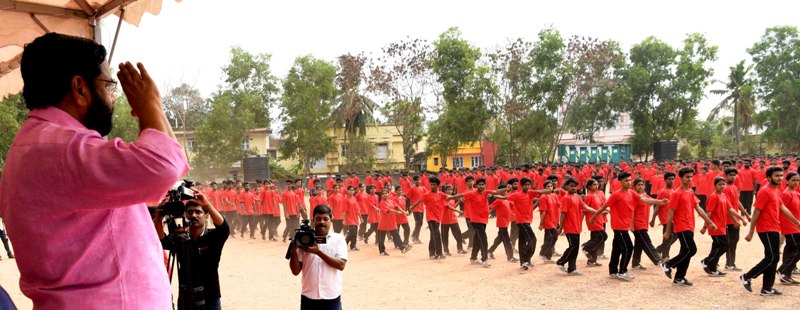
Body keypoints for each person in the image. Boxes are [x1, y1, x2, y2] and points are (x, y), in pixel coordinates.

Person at [0, 33, 188, 308]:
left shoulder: (35, 146)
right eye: (109, 85)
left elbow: (171, 161)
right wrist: (150, 104)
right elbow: (164, 165)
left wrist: (152, 109)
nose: (113, 98)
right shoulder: (66, 149)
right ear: (80, 88)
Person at [155, 193, 229, 309]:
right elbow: (162, 240)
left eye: (198, 212)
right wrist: (158, 220)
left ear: (206, 216)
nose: (193, 215)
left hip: (210, 298)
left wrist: (207, 204)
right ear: (185, 216)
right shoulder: (179, 238)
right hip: (186, 298)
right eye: (189, 212)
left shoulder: (213, 237)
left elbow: (224, 228)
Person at [589, 172, 667, 281]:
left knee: (616, 249)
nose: (629, 182)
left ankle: (613, 271)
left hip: (624, 226)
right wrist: (593, 217)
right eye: (626, 180)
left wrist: (660, 201)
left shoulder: (631, 193)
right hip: (619, 226)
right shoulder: (616, 194)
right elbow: (604, 206)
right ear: (620, 182)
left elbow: (644, 199)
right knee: (628, 247)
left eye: (630, 180)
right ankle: (622, 271)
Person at [740, 166, 800, 296]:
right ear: (769, 177)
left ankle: (767, 288)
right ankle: (747, 276)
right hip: (766, 228)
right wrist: (751, 231)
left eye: (781, 175)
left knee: (773, 258)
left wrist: (797, 222)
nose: (780, 178)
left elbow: (783, 208)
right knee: (772, 257)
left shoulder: (776, 190)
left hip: (774, 227)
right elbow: (756, 211)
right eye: (776, 176)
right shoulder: (765, 191)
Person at [660, 167, 716, 286]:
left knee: (685, 251)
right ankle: (668, 264)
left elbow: (698, 208)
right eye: (687, 177)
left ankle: (679, 277)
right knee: (691, 250)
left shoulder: (690, 192)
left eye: (691, 177)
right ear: (680, 178)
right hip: (681, 226)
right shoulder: (677, 193)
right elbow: (670, 213)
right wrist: (667, 231)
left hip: (690, 225)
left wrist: (709, 222)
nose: (690, 179)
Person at [289, 205, 347, 310]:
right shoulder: (304, 239)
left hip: (331, 298)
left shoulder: (338, 239)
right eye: (318, 219)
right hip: (308, 298)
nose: (322, 222)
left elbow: (341, 265)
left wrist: (318, 252)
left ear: (331, 220)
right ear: (313, 220)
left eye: (325, 219)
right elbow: (295, 271)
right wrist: (293, 250)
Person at [699, 177, 746, 277]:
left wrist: (740, 218)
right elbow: (709, 213)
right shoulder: (713, 196)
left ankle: (713, 269)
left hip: (722, 226)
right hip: (715, 226)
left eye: (723, 184)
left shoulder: (723, 195)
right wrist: (705, 226)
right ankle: (707, 261)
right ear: (715, 185)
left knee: (717, 246)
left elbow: (730, 209)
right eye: (719, 184)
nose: (722, 186)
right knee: (725, 245)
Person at [557, 178, 600, 275]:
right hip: (569, 227)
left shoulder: (576, 197)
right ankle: (561, 262)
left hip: (577, 226)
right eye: (571, 186)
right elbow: (563, 214)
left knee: (575, 249)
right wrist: (561, 227)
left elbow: (586, 207)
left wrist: (598, 212)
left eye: (575, 186)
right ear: (567, 186)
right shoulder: (566, 198)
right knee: (573, 247)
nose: (573, 188)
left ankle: (572, 268)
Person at [630, 179, 664, 270]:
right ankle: (658, 260)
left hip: (644, 223)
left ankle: (635, 263)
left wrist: (661, 201)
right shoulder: (634, 197)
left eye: (642, 184)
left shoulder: (645, 195)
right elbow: (632, 212)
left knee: (639, 244)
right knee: (646, 242)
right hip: (638, 224)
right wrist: (632, 225)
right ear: (634, 187)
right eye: (638, 185)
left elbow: (652, 201)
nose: (640, 186)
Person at [778, 172, 800, 284]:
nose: (796, 182)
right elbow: (780, 209)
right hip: (790, 226)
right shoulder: (786, 194)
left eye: (797, 180)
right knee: (797, 249)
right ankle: (783, 270)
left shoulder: (795, 193)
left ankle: (786, 275)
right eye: (793, 180)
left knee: (790, 249)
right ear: (787, 181)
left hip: (796, 225)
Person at [376, 190, 412, 256]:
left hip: (391, 221)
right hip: (383, 222)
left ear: (388, 194)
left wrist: (404, 212)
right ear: (381, 195)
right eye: (383, 194)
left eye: (386, 193)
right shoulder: (382, 203)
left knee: (396, 235)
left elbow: (397, 207)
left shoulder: (391, 201)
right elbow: (389, 210)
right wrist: (396, 212)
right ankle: (382, 251)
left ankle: (402, 248)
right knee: (381, 238)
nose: (384, 195)